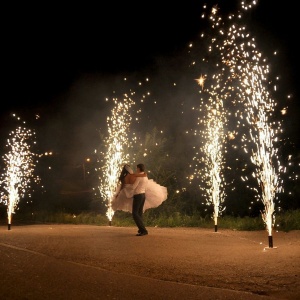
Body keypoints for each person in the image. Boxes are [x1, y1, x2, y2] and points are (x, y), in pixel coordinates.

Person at [131, 163, 149, 236]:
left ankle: (143, 230)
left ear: (138, 168)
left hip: (138, 195)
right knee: (139, 213)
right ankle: (141, 229)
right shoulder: (145, 177)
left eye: (136, 168)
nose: (136, 170)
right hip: (143, 195)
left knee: (135, 213)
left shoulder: (139, 177)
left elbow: (133, 187)